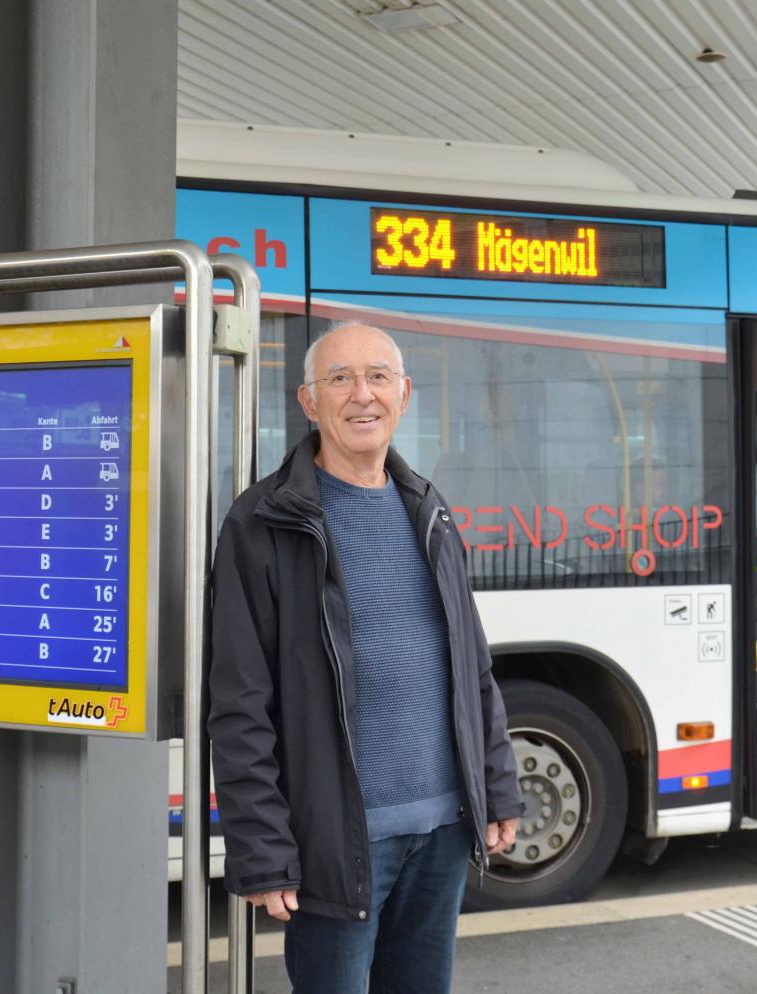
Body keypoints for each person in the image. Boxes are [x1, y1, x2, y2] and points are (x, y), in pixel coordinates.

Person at [208, 322, 523, 993]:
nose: (362, 395)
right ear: (308, 400)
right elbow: (239, 705)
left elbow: (472, 666)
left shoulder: (429, 513)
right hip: (338, 845)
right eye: (340, 378)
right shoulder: (262, 524)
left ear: (404, 395)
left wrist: (496, 786)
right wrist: (263, 849)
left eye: (378, 376)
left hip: (440, 833)